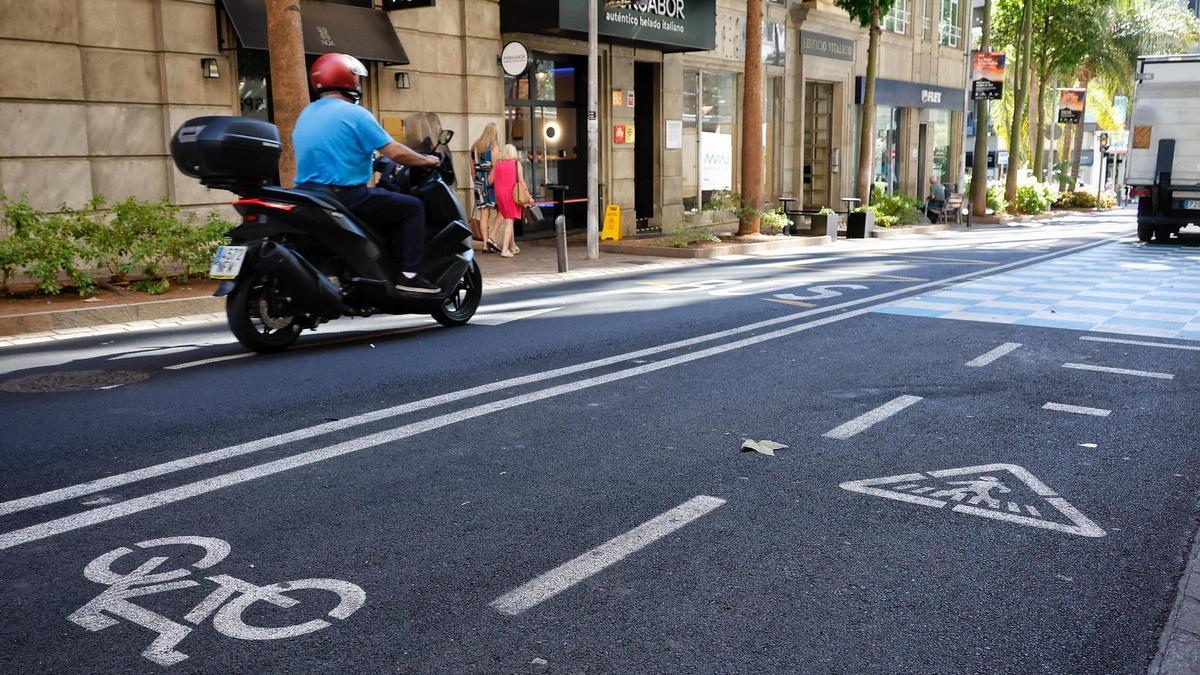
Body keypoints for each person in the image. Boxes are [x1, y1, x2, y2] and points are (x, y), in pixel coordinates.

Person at [292, 52, 442, 294]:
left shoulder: (307, 113)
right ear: (347, 79)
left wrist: (370, 163)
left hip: (307, 195)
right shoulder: (356, 113)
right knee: (413, 207)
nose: (359, 84)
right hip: (345, 196)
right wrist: (425, 159)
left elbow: (333, 153)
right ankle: (410, 275)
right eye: (357, 78)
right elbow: (395, 152)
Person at [488, 144, 527, 258]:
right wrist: (528, 196)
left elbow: (491, 180)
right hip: (511, 194)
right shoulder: (516, 164)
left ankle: (512, 246)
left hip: (499, 195)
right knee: (509, 222)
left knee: (509, 219)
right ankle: (504, 250)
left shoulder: (498, 165)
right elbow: (521, 182)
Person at [470, 124, 501, 247]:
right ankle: (492, 238)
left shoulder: (474, 148)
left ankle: (484, 244)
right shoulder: (493, 147)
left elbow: (472, 170)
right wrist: (489, 182)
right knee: (502, 210)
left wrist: (477, 182)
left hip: (478, 182)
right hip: (490, 183)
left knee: (484, 213)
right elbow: (495, 168)